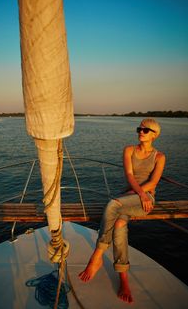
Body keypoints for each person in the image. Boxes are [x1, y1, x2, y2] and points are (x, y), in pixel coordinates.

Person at [79, 118, 166, 304]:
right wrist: (137, 192)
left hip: (146, 200)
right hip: (129, 196)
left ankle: (97, 256)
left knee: (112, 204)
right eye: (140, 129)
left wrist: (142, 194)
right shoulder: (129, 150)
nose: (141, 131)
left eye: (146, 129)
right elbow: (129, 174)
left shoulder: (159, 157)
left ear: (155, 135)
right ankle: (123, 278)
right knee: (119, 224)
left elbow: (153, 183)